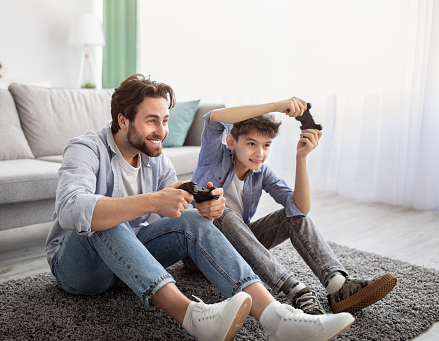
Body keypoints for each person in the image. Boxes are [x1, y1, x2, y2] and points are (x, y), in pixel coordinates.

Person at [45, 74, 355, 341]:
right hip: (80, 270)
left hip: (127, 262)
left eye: (164, 121)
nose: (162, 132)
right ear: (123, 120)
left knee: (192, 220)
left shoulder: (156, 160)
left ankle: (278, 318)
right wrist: (154, 200)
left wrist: (203, 204)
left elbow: (175, 203)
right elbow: (72, 209)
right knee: (106, 217)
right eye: (151, 121)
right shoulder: (86, 148)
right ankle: (193, 318)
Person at [189, 97, 397, 315]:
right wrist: (277, 106)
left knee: (292, 215)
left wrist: (301, 158)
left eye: (266, 145)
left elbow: (300, 210)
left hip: (239, 246)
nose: (260, 153)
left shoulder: (262, 172)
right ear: (231, 142)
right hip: (201, 248)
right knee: (221, 210)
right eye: (251, 143)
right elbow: (213, 118)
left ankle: (337, 286)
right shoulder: (213, 157)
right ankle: (297, 291)